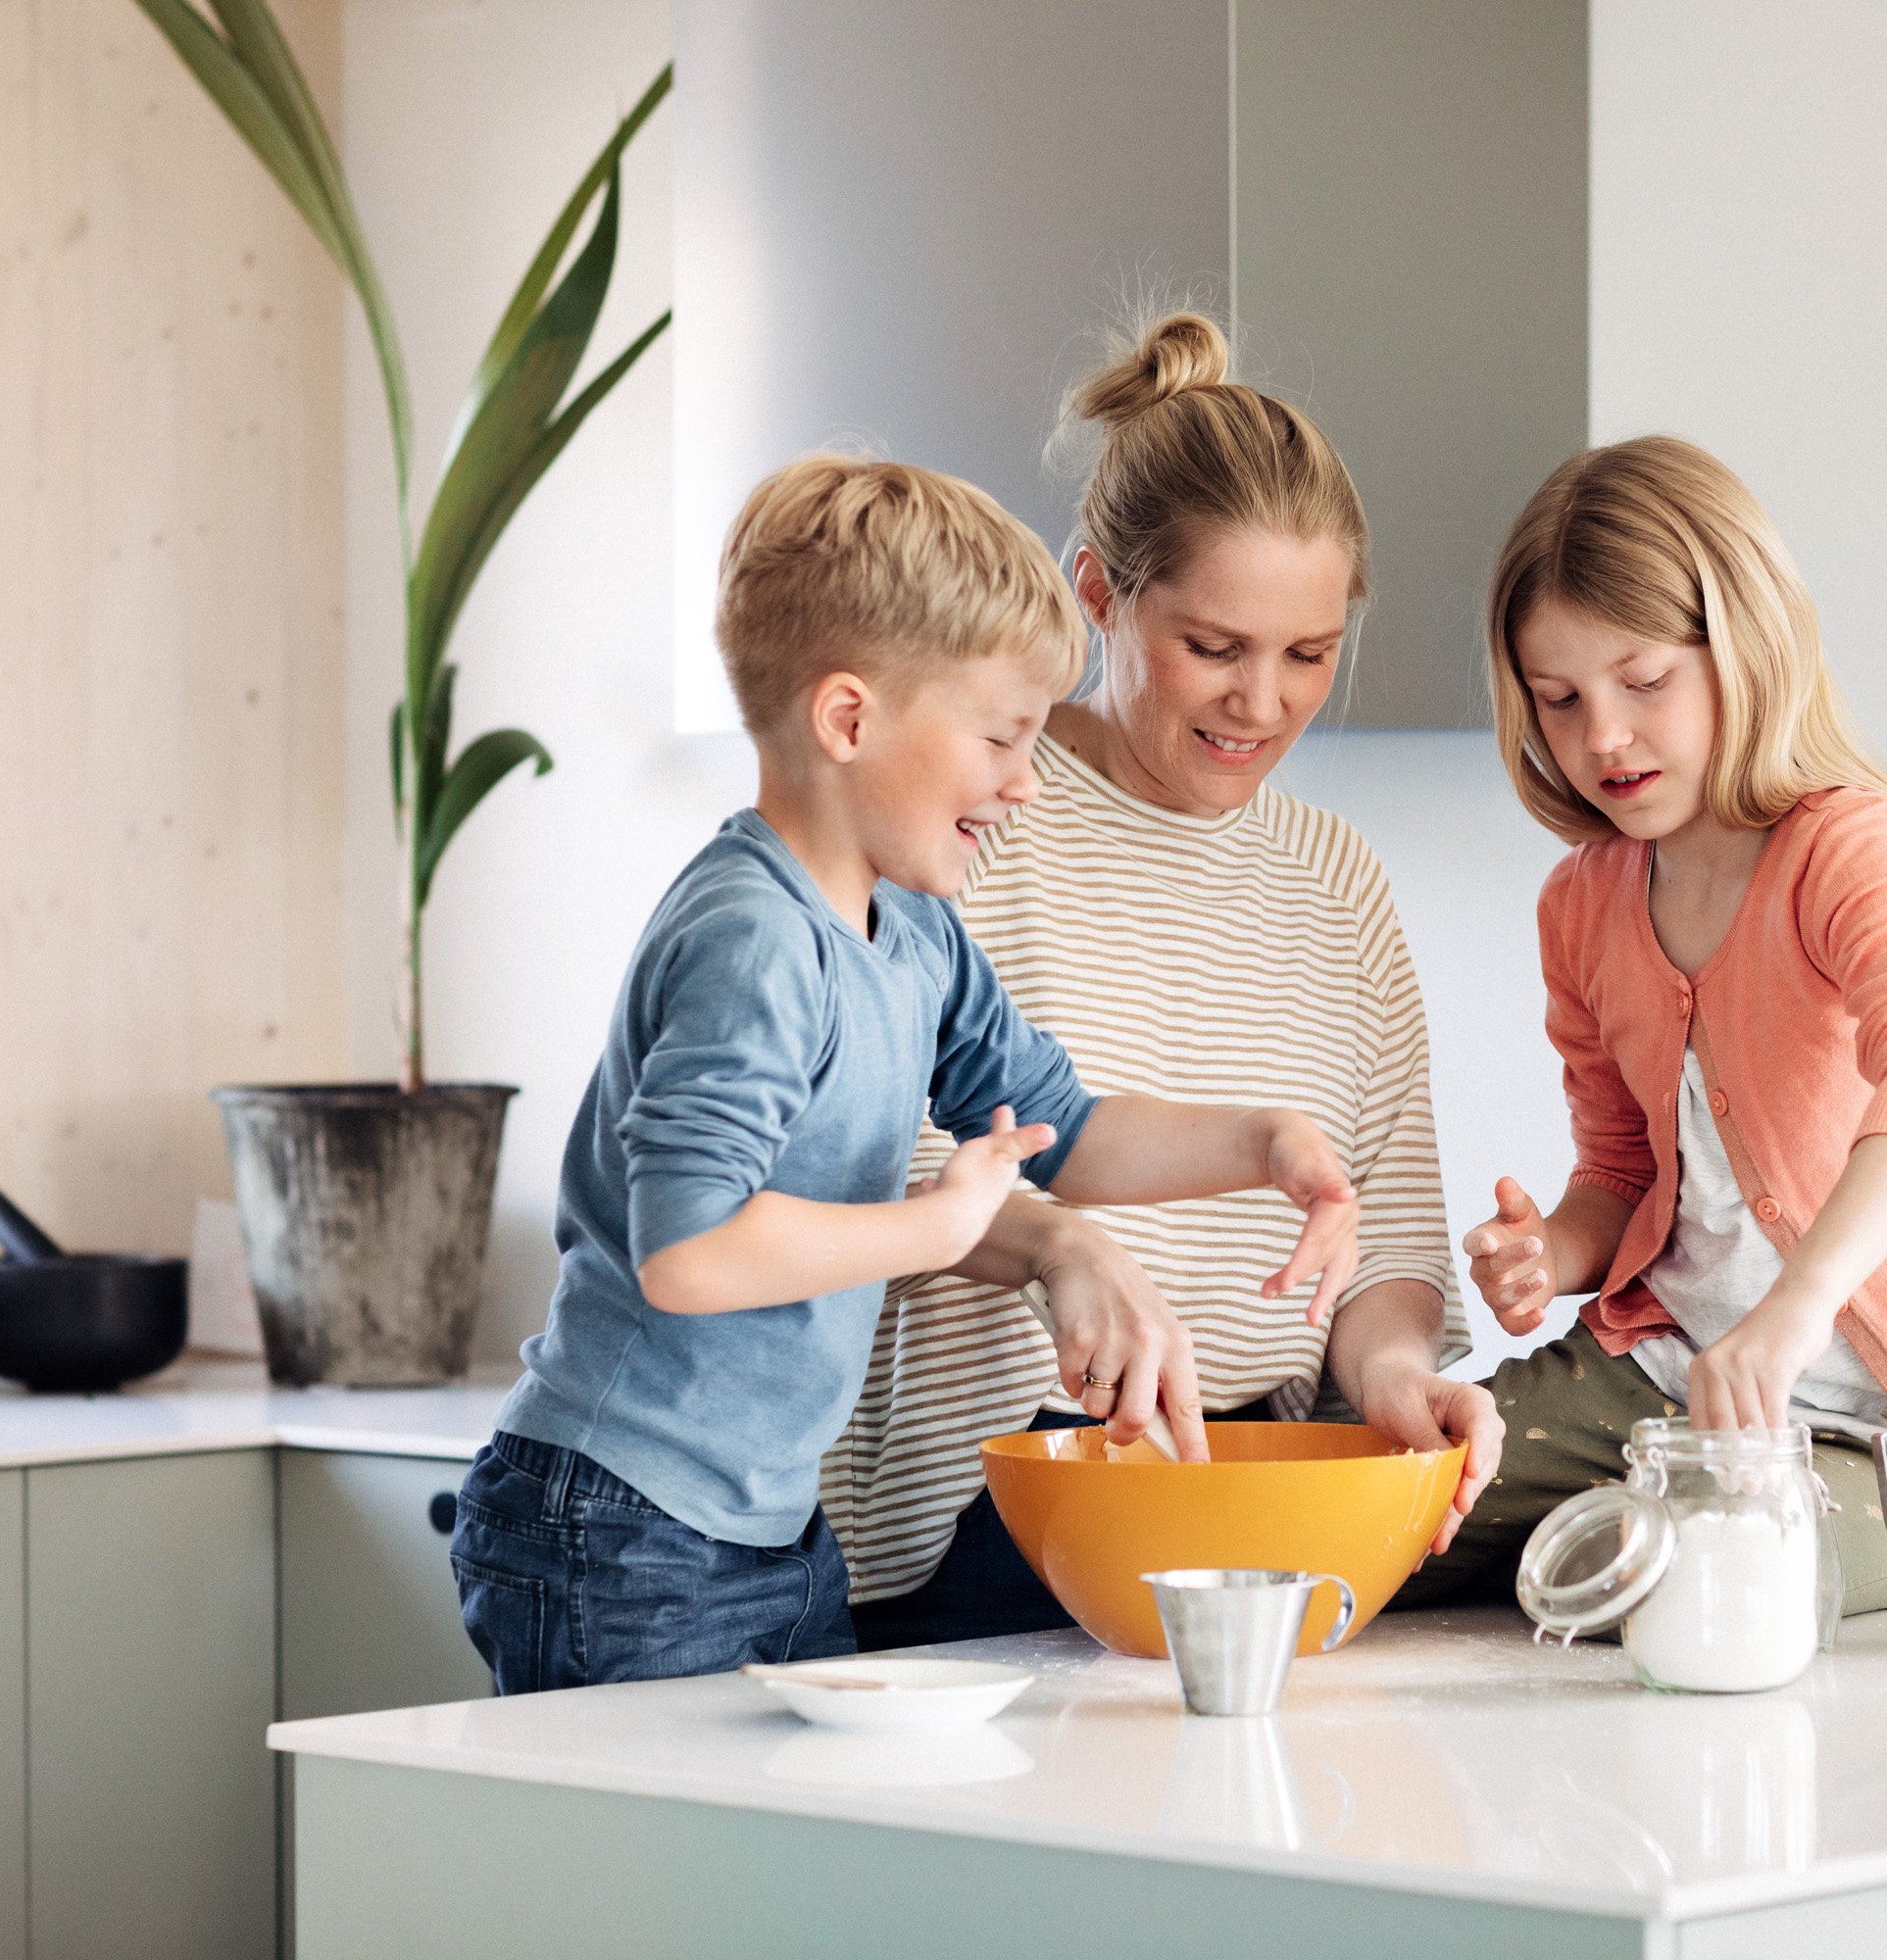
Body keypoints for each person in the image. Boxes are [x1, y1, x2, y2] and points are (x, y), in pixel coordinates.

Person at [448, 455, 1366, 1691]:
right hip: (619, 1518)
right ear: (848, 719)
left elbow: (1066, 1131)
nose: (1026, 780)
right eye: (1000, 736)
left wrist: (1263, 1143)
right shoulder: (755, 940)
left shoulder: (914, 929)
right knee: (654, 1881)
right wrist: (939, 1223)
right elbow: (690, 1249)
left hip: (763, 1528)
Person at [829, 314, 1500, 1649]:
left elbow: (1384, 1259)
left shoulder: (1338, 882)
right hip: (993, 1513)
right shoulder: (962, 824)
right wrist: (1058, 1250)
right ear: (1097, 592)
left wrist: (1401, 1381)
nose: (1262, 701)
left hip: (1259, 1509)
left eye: (1309, 655)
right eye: (1215, 646)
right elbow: (857, 1180)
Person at [1395, 435, 1887, 1614]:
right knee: (1388, 1504)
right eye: (1559, 700)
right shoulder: (1583, 903)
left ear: (1743, 646)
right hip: (1656, 1384)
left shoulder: (1851, 848)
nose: (1602, 734)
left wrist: (1794, 1310)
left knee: (1698, 1589)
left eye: (1643, 681)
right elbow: (1620, 1179)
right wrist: (1551, 1253)